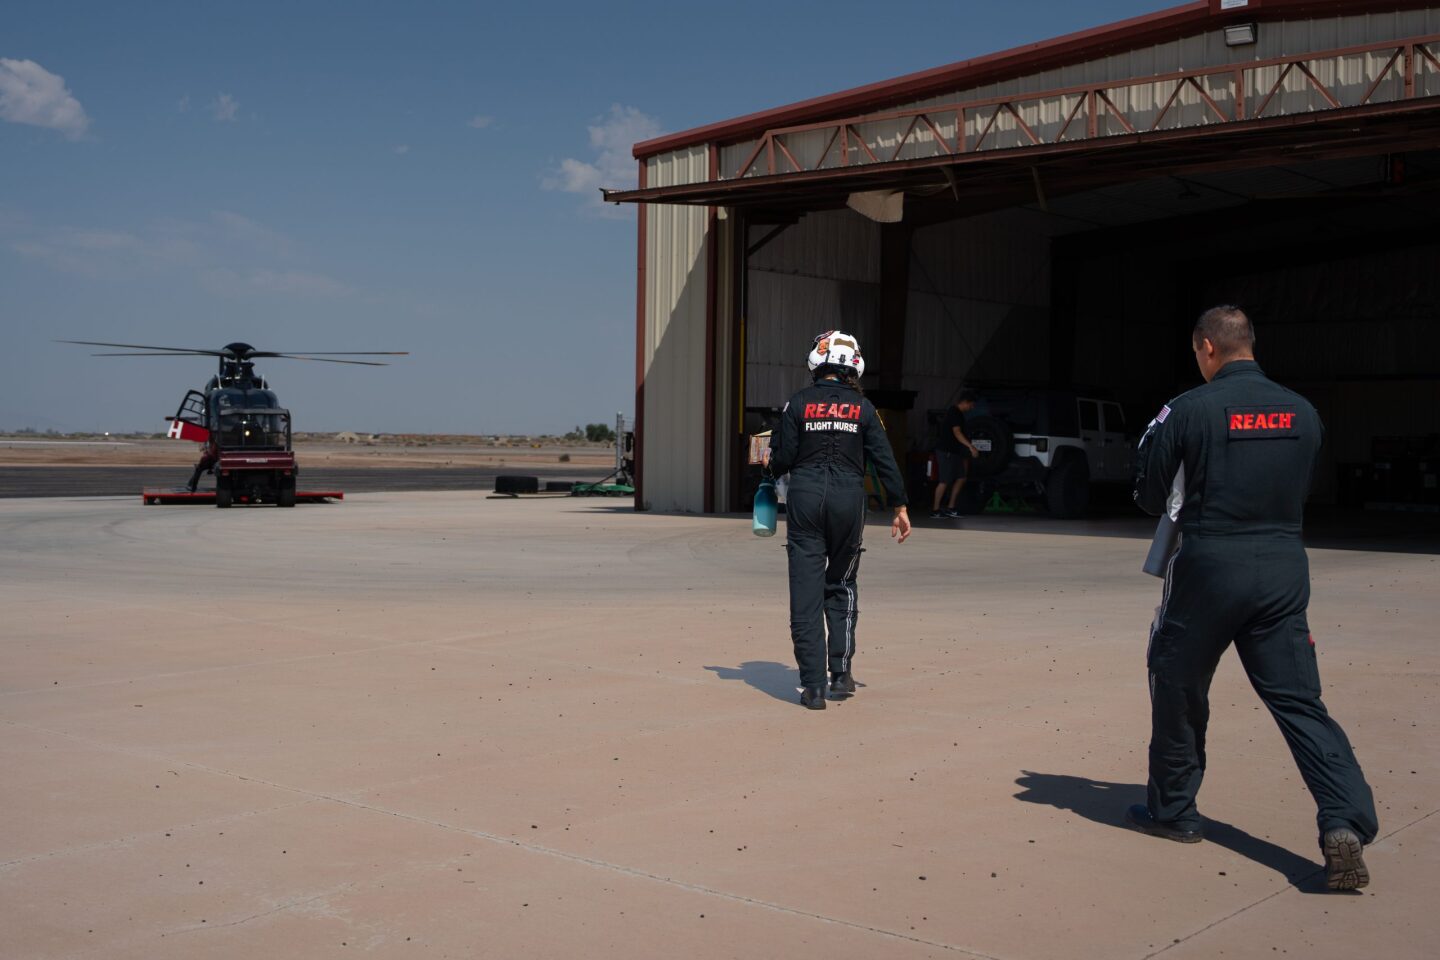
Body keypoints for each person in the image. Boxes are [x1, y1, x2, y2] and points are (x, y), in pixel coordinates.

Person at [1128, 305, 1378, 891]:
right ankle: (1343, 819)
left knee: (1176, 680)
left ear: (1206, 348)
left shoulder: (1187, 409)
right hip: (1284, 567)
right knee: (1300, 703)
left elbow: (1147, 492)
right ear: (1250, 345)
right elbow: (1305, 485)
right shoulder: (1304, 412)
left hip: (1211, 566)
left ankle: (1174, 811)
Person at [766, 330, 911, 710]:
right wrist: (899, 505)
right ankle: (841, 674)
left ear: (816, 360)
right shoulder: (864, 410)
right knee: (842, 582)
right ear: (854, 366)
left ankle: (813, 689)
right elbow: (884, 459)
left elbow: (782, 460)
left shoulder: (796, 404)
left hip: (806, 499)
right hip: (849, 500)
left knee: (805, 593)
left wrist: (767, 461)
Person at [931, 390, 979, 518]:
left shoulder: (959, 414)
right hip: (946, 451)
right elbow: (957, 433)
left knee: (961, 477)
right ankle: (935, 510)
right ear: (965, 402)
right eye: (971, 405)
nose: (972, 408)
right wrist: (970, 447)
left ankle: (951, 507)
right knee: (944, 481)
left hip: (955, 452)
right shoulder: (954, 413)